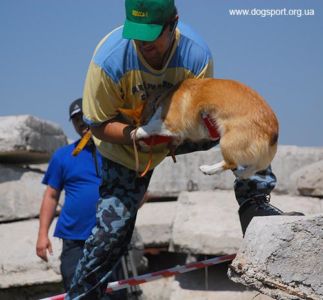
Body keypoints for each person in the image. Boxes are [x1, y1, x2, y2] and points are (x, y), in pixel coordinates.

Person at [67, 1, 301, 299]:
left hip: (179, 133)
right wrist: (138, 136)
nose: (143, 44)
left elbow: (207, 106)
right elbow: (98, 126)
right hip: (125, 148)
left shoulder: (196, 54)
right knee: (111, 235)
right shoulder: (108, 61)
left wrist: (211, 128)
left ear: (173, 24)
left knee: (246, 119)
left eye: (151, 35)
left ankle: (254, 201)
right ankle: (82, 294)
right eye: (136, 34)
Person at [36, 99, 127, 299]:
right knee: (75, 292)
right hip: (74, 239)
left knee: (114, 294)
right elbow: (51, 196)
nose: (81, 123)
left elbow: (138, 189)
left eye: (85, 116)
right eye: (76, 119)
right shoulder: (63, 156)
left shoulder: (118, 152)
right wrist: (42, 235)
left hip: (109, 239)